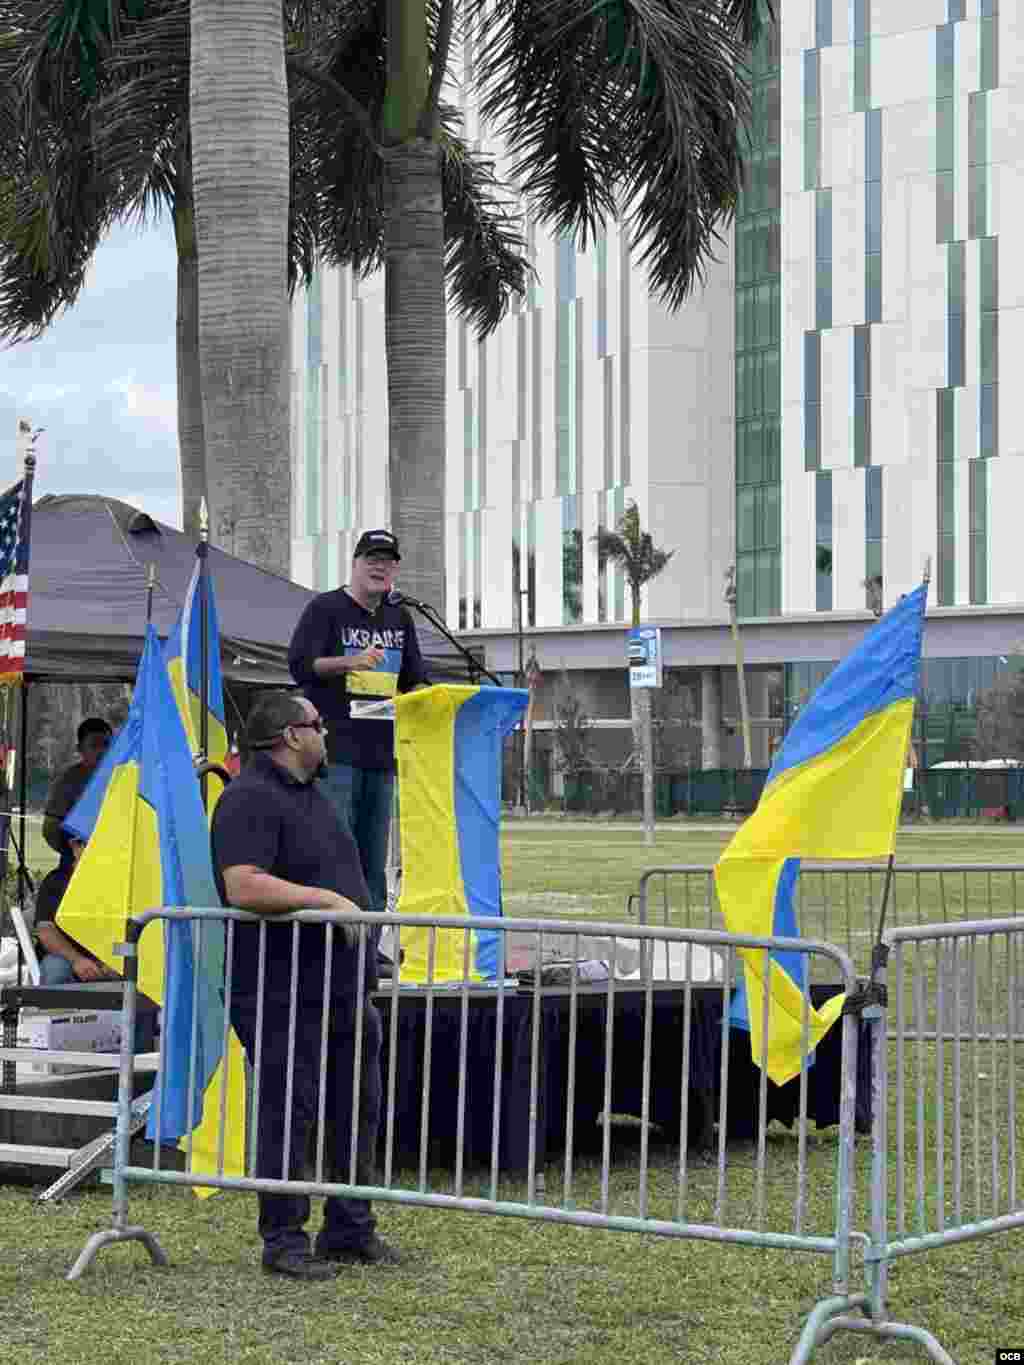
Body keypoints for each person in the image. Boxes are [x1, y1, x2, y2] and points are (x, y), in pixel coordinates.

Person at [210, 691, 399, 1281]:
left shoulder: (313, 793)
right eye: (317, 725)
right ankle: (284, 1240)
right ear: (290, 736)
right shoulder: (247, 797)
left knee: (356, 1109)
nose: (326, 734)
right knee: (288, 1115)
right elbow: (243, 886)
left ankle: (349, 1229)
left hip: (342, 986)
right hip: (282, 989)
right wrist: (326, 900)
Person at [287, 529, 428, 936]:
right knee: (336, 848)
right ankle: (333, 939)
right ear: (355, 563)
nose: (380, 566)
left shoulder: (400, 617)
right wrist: (350, 663)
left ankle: (370, 944)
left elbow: (414, 679)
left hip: (383, 755)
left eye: (388, 560)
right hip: (335, 752)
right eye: (372, 558)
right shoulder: (325, 609)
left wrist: (434, 698)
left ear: (396, 569)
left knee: (374, 856)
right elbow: (300, 665)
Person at [35, 717, 117, 984]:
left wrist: (112, 959)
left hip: (110, 956)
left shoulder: (124, 778)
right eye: (95, 745)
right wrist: (77, 960)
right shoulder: (69, 781)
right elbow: (46, 932)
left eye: (107, 744)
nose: (102, 751)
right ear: (80, 748)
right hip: (71, 957)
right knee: (56, 970)